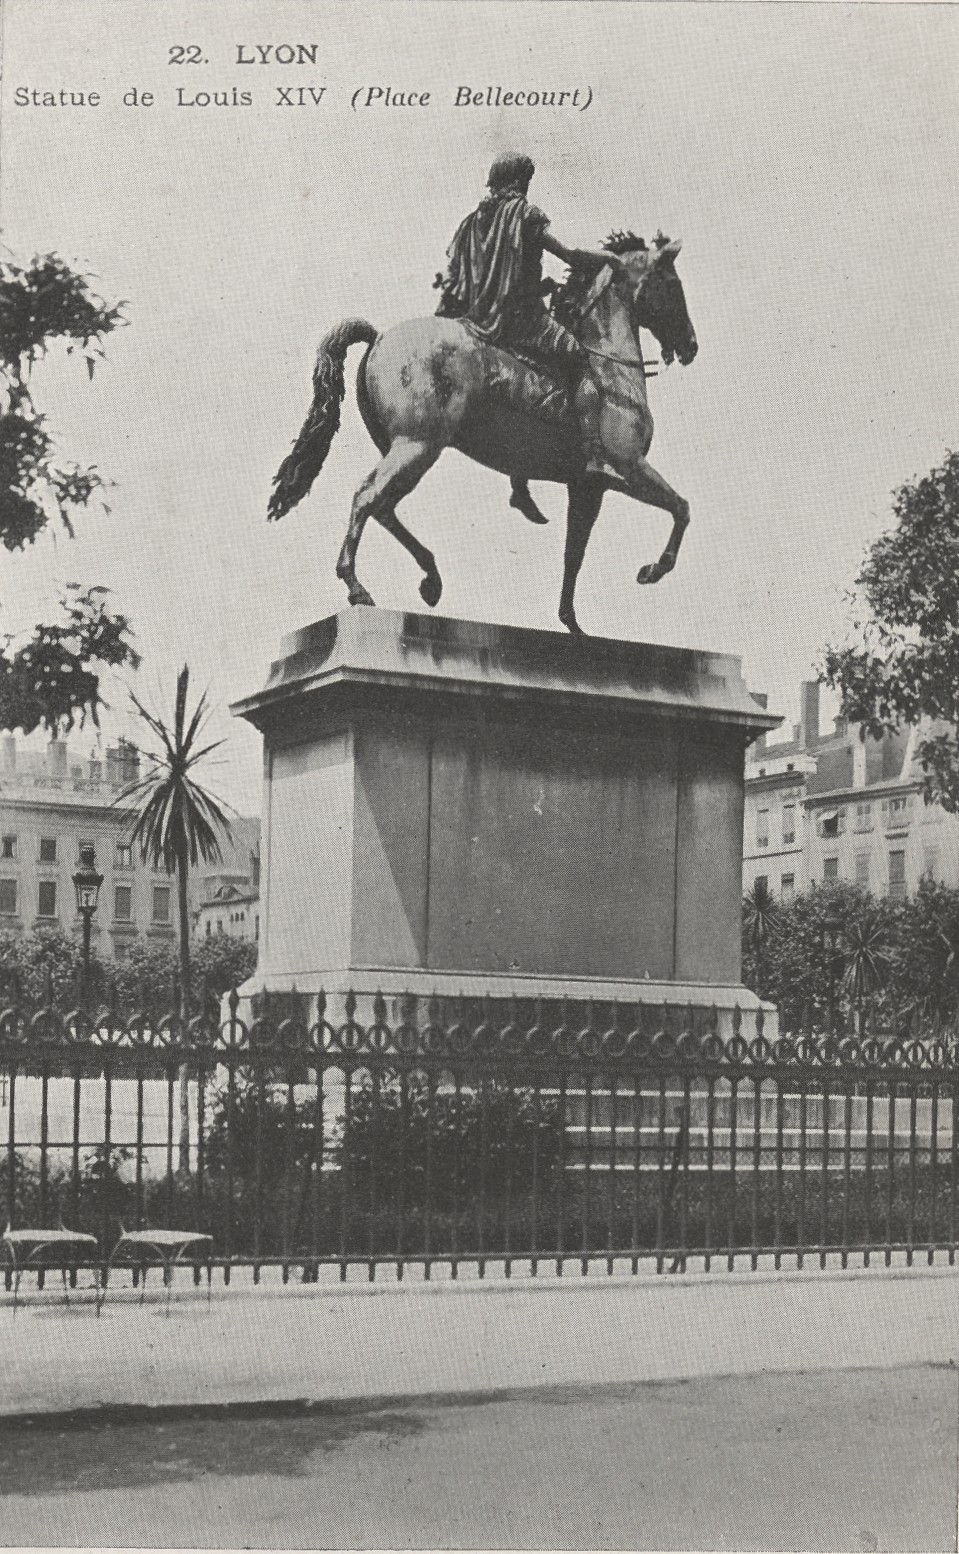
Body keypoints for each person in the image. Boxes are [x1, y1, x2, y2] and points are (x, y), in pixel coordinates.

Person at [435, 152, 621, 487]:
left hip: (475, 318)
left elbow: (459, 272)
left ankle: (519, 482)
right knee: (579, 359)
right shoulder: (527, 215)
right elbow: (569, 256)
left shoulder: (472, 220)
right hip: (521, 320)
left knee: (525, 381)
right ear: (520, 180)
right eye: (527, 180)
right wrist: (607, 259)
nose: (527, 187)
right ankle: (594, 455)